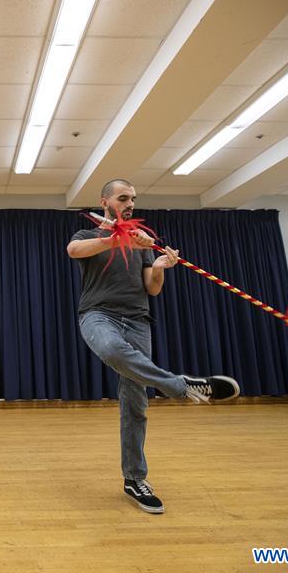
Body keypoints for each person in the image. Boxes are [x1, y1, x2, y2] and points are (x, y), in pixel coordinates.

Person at [67, 179, 239, 514]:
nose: (130, 203)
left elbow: (152, 288)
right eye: (123, 198)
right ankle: (181, 386)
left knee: (135, 402)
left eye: (133, 198)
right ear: (105, 201)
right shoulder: (89, 235)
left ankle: (134, 479)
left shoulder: (144, 244)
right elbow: (73, 252)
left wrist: (159, 267)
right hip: (98, 315)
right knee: (114, 352)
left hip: (138, 319)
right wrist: (117, 238)